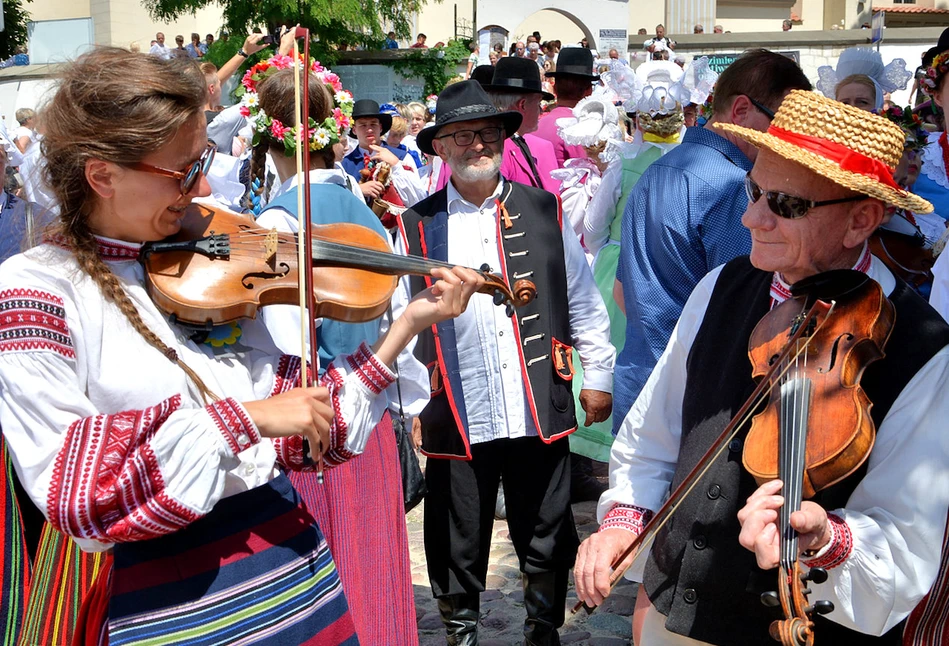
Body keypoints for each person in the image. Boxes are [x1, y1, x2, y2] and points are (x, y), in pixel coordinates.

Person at [0, 47, 483, 645]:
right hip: (173, 606)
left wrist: (406, 325)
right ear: (102, 175)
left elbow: (310, 427)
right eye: (181, 171)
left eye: (201, 160)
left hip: (299, 578)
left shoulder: (205, 258)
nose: (202, 186)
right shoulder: (34, 290)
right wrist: (247, 420)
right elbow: (78, 489)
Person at [576, 88, 949, 646]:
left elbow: (904, 541)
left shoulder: (922, 350)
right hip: (674, 610)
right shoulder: (720, 286)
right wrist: (623, 525)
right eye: (754, 190)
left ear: (861, 220)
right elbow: (653, 437)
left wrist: (827, 538)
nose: (752, 216)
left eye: (785, 204)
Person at [401, 79, 614, 646]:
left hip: (534, 401)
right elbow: (397, 320)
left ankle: (542, 629)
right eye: (464, 135)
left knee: (546, 524)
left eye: (488, 133)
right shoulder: (414, 225)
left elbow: (583, 298)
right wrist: (409, 406)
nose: (479, 144)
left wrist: (600, 376)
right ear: (440, 147)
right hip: (453, 402)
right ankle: (461, 634)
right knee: (455, 531)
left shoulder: (542, 208)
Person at [243, 60, 428, 644]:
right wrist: (405, 404)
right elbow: (400, 324)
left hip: (308, 428)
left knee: (323, 579)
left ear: (270, 139)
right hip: (368, 417)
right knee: (372, 566)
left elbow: (281, 345)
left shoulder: (275, 222)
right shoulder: (374, 223)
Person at [611, 49, 812, 431]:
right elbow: (748, 310)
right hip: (695, 403)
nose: (786, 140)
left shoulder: (656, 170)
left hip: (641, 389)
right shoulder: (734, 186)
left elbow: (623, 294)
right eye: (781, 124)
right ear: (740, 111)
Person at [341, 99, 417, 202]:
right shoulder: (346, 164)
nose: (369, 130)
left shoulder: (402, 157)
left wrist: (395, 165)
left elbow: (418, 197)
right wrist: (357, 190)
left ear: (380, 127)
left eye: (373, 124)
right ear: (354, 130)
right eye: (363, 125)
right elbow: (336, 199)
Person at [535, 48, 598, 168]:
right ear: (589, 91)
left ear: (555, 88)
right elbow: (588, 178)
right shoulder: (583, 131)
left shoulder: (536, 124)